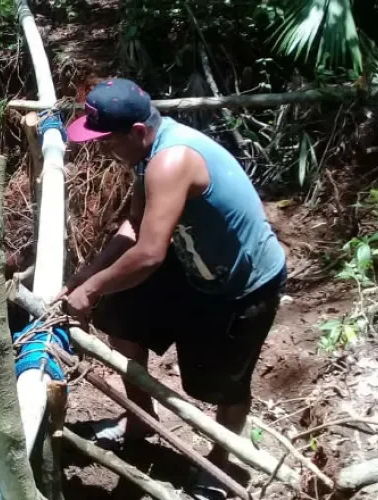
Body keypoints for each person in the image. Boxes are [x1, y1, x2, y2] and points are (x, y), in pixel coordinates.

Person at [56, 78, 287, 500]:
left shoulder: (170, 160)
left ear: (138, 132)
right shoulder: (145, 156)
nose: (102, 150)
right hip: (190, 263)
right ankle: (141, 419)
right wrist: (86, 276)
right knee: (121, 318)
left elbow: (147, 256)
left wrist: (88, 293)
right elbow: (134, 226)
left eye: (107, 140)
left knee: (220, 385)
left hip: (240, 286)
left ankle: (221, 462)